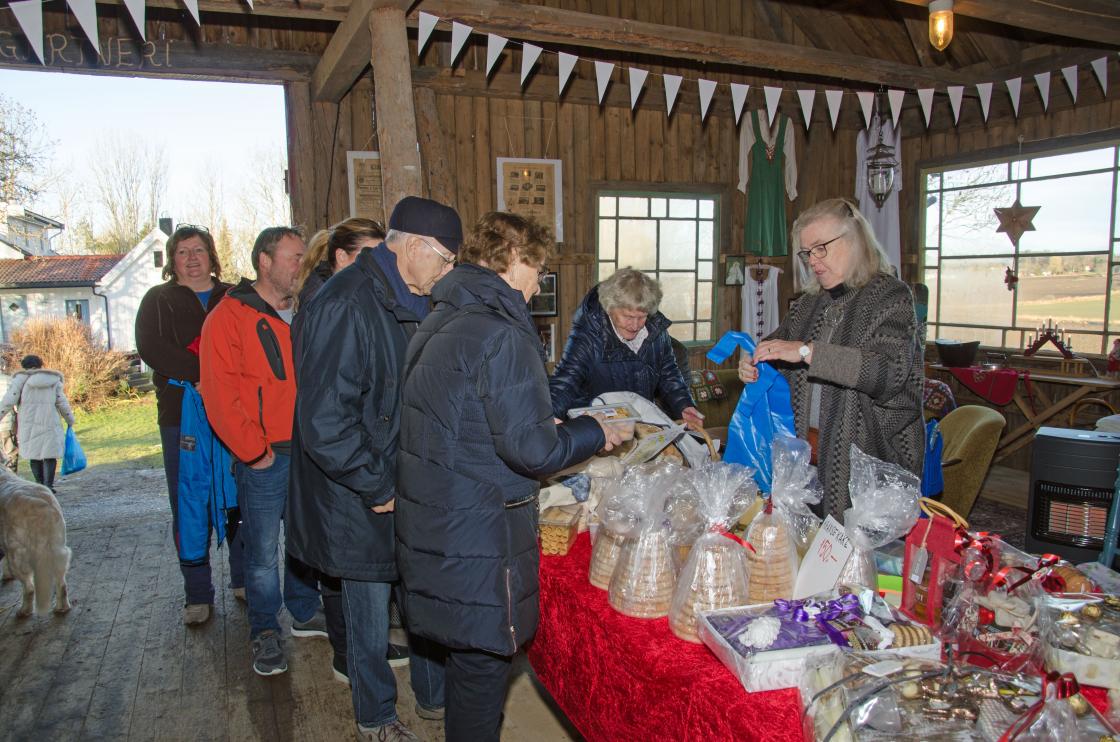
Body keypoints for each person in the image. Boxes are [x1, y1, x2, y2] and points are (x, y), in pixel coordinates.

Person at [397, 212, 631, 742]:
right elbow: (534, 452)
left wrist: (535, 422)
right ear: (514, 260)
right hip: (481, 539)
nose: (538, 283)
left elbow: (460, 423)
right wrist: (594, 430)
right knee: (481, 682)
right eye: (539, 269)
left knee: (467, 672)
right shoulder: (504, 333)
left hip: (438, 531)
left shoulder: (437, 321)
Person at [288, 197, 461, 742]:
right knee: (367, 616)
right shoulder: (346, 302)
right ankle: (376, 717)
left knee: (421, 594)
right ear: (412, 246)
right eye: (446, 261)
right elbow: (325, 422)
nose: (448, 273)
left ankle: (435, 697)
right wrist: (377, 482)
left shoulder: (408, 294)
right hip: (358, 490)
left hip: (406, 480)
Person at [737, 197, 924, 520]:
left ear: (855, 240)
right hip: (808, 459)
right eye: (807, 252)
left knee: (857, 561)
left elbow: (888, 373)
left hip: (867, 464)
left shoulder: (891, 297)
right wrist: (755, 362)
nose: (813, 260)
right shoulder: (811, 302)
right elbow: (776, 346)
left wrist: (808, 352)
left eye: (821, 247)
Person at [200, 226, 326, 677]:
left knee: (302, 540)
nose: (300, 266)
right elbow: (219, 393)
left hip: (309, 450)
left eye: (302, 258)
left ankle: (305, 611)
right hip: (266, 454)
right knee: (260, 551)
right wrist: (253, 452)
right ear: (265, 262)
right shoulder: (229, 316)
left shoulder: (307, 310)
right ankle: (265, 631)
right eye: (293, 258)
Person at [289, 217, 400, 685]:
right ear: (342, 257)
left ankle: (355, 650)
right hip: (344, 465)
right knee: (344, 565)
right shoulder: (333, 304)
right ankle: (348, 655)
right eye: (368, 255)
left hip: (355, 458)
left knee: (346, 567)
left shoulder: (355, 301)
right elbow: (330, 415)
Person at [135, 224, 244, 626]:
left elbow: (248, 344)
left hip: (233, 409)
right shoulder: (158, 299)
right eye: (183, 252)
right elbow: (152, 348)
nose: (192, 258)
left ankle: (244, 578)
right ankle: (197, 593)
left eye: (199, 250)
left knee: (239, 494)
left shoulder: (235, 295)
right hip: (179, 414)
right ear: (173, 259)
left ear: (212, 256)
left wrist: (218, 379)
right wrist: (203, 371)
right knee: (188, 499)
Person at [549, 267, 703, 428]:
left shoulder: (657, 331)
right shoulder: (588, 335)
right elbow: (565, 382)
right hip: (600, 428)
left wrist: (684, 405)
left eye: (642, 317)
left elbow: (669, 374)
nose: (635, 325)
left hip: (642, 425)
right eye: (628, 317)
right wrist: (548, 418)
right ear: (610, 308)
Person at [0, 355, 74, 492]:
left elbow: (9, 400)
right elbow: (61, 402)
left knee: (34, 455)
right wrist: (70, 420)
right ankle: (48, 485)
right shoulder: (52, 380)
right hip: (50, 421)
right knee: (49, 454)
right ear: (40, 365)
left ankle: (39, 484)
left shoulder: (19, 380)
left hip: (28, 422)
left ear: (24, 366)